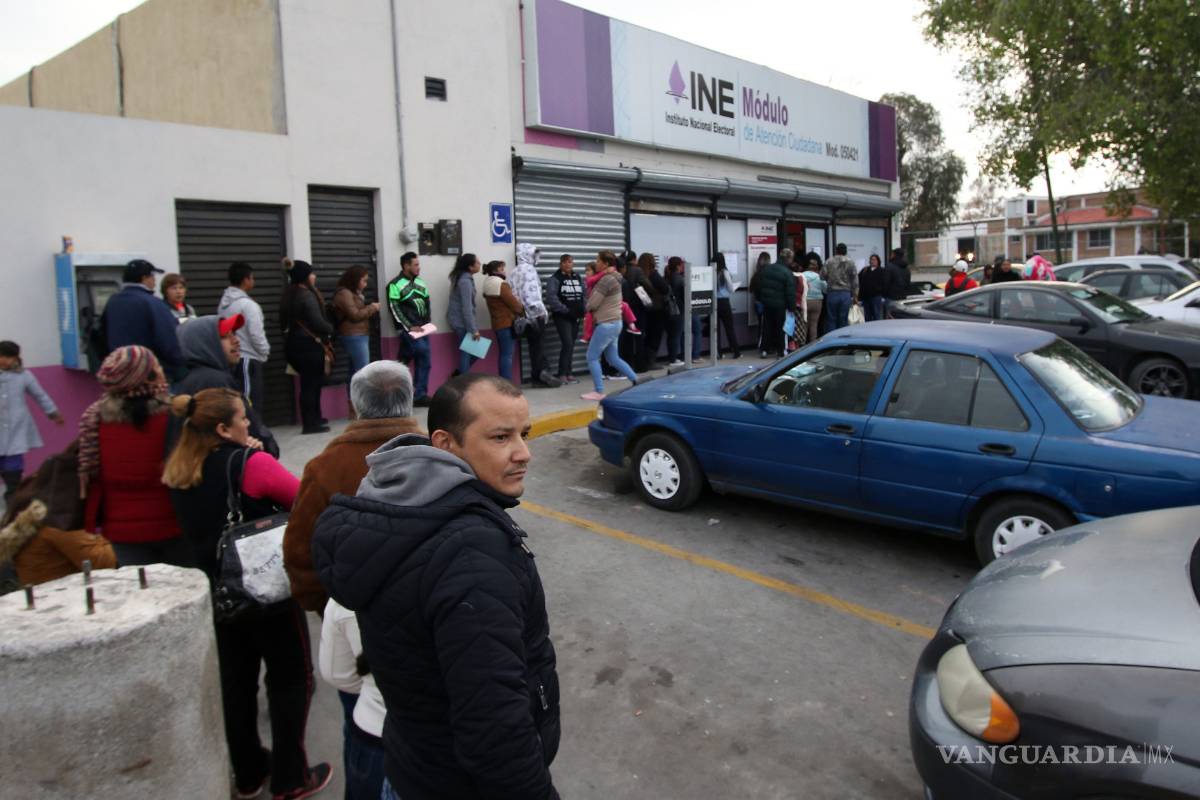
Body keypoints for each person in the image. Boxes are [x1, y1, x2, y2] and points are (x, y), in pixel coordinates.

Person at [312, 375, 561, 800]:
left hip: (410, 766)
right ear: (446, 444)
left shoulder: (404, 506)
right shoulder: (472, 555)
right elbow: (495, 733)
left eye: (525, 433)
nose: (524, 453)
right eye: (501, 437)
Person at [163, 388, 331, 800]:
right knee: (291, 679)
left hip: (218, 594)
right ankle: (291, 778)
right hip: (267, 593)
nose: (248, 425)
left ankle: (248, 772)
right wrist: (257, 455)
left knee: (236, 683)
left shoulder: (180, 469)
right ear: (223, 428)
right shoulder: (250, 464)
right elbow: (303, 501)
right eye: (243, 418)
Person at [283, 361, 423, 613]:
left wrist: (324, 605)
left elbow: (299, 550)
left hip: (352, 606)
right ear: (410, 398)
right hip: (432, 602)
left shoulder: (325, 467)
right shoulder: (441, 454)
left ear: (356, 405)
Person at [77, 346, 191, 567]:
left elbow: (92, 475)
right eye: (157, 367)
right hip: (174, 524)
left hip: (121, 530)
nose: (162, 371)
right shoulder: (175, 413)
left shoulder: (94, 419)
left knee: (139, 586)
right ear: (148, 377)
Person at [173, 314, 277, 456]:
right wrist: (268, 447)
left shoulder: (194, 377)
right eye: (225, 336)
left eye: (233, 334)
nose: (236, 341)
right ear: (204, 344)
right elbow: (251, 430)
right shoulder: (214, 381)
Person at [319, 596, 387, 800]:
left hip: (374, 731)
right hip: (435, 746)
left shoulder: (345, 598)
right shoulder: (454, 592)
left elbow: (336, 674)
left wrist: (371, 688)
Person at [0, 341, 63, 504]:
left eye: (9, 357)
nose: (4, 360)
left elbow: (39, 395)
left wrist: (53, 413)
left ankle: (12, 495)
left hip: (16, 425)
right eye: (1, 356)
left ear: (16, 358)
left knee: (13, 463)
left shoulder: (24, 376)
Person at [0, 499, 116, 587]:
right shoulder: (56, 524)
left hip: (45, 595)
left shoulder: (35, 520)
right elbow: (102, 562)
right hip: (62, 597)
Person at [103, 259, 185, 380]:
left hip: (121, 371)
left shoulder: (113, 302)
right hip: (150, 373)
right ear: (144, 278)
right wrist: (181, 363)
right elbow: (168, 341)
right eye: (153, 277)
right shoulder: (153, 303)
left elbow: (102, 334)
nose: (154, 281)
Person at [280, 258, 333, 434]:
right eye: (311, 273)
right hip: (309, 346)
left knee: (308, 384)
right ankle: (311, 423)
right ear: (304, 276)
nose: (314, 276)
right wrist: (330, 328)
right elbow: (317, 322)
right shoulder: (306, 295)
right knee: (311, 386)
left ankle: (315, 418)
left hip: (294, 345)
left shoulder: (288, 294)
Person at [581, 253, 640, 401]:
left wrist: (587, 305)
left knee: (592, 357)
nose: (596, 263)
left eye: (598, 261)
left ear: (606, 264)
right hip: (615, 322)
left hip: (606, 324)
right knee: (613, 358)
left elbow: (592, 303)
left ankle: (598, 391)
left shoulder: (606, 280)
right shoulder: (616, 277)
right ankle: (637, 381)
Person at [218, 261, 271, 414]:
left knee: (239, 401)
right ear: (246, 280)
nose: (253, 281)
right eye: (252, 278)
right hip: (248, 358)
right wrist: (264, 352)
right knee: (250, 402)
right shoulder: (248, 305)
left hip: (232, 360)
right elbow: (256, 333)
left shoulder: (223, 304)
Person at [510, 244, 563, 387]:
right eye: (533, 254)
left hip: (522, 315)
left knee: (533, 346)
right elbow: (531, 294)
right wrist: (540, 312)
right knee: (538, 346)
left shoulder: (514, 271)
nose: (535, 257)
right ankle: (542, 374)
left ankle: (536, 377)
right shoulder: (529, 270)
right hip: (534, 315)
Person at [386, 252, 433, 407]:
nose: (419, 267)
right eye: (416, 265)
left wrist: (427, 323)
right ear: (406, 266)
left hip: (423, 329)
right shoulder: (395, 284)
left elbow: (427, 304)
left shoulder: (421, 282)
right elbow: (394, 308)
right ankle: (418, 394)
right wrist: (408, 326)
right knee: (423, 355)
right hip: (409, 330)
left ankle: (405, 394)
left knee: (405, 361)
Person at [333, 265, 381, 391]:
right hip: (353, 336)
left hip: (359, 334)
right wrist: (372, 307)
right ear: (355, 279)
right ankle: (361, 400)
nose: (365, 284)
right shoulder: (344, 293)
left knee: (354, 371)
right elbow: (355, 315)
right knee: (363, 371)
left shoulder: (352, 293)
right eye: (363, 281)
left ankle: (353, 401)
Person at [544, 254, 585, 384]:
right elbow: (551, 298)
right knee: (567, 343)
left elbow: (584, 294)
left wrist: (583, 309)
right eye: (565, 262)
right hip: (562, 317)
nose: (568, 264)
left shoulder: (577, 277)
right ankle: (562, 374)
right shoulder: (555, 279)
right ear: (561, 264)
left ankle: (569, 373)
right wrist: (566, 310)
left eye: (570, 262)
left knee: (571, 344)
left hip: (576, 317)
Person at [482, 260, 525, 383]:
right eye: (502, 269)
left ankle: (504, 382)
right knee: (507, 355)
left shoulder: (487, 282)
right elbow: (514, 304)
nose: (504, 271)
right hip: (506, 322)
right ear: (496, 270)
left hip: (497, 322)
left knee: (504, 354)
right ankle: (507, 383)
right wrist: (523, 311)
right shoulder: (501, 284)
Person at [753, 249, 797, 358]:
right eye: (791, 259)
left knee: (766, 327)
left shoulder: (767, 269)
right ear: (788, 259)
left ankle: (764, 350)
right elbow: (790, 293)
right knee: (781, 328)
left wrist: (762, 299)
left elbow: (759, 287)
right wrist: (792, 307)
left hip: (767, 304)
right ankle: (781, 351)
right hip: (781, 305)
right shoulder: (787, 273)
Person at [446, 253, 482, 378]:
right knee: (467, 352)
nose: (480, 264)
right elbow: (467, 308)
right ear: (470, 267)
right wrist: (473, 329)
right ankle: (462, 381)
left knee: (475, 351)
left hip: (460, 321)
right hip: (462, 323)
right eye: (477, 262)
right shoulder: (465, 282)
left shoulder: (462, 279)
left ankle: (459, 375)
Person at [821, 244, 859, 332]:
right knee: (843, 319)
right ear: (846, 251)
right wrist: (855, 295)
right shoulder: (851, 262)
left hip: (832, 293)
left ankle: (831, 338)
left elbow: (822, 276)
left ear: (836, 251)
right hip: (845, 294)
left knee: (831, 318)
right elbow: (855, 280)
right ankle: (841, 337)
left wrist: (830, 279)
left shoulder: (829, 261)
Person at [641, 253, 670, 365]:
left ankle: (645, 360)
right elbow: (665, 288)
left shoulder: (641, 274)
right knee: (655, 335)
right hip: (658, 309)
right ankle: (651, 361)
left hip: (645, 308)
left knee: (648, 335)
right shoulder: (654, 274)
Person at [714, 253, 740, 358]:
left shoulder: (711, 271)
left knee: (715, 329)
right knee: (729, 328)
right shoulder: (724, 272)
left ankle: (718, 352)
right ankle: (736, 351)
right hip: (724, 302)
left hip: (714, 302)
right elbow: (730, 288)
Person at [665, 256, 687, 366]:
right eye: (681, 264)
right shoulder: (680, 279)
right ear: (678, 266)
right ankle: (673, 359)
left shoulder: (667, 277)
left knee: (671, 335)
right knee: (676, 335)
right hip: (678, 310)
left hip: (668, 310)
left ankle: (672, 357)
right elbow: (685, 296)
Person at [786, 254, 809, 352]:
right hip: (799, 305)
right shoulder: (802, 277)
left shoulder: (788, 276)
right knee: (799, 326)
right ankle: (797, 344)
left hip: (789, 306)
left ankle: (790, 344)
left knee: (789, 326)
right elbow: (805, 293)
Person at [802, 254, 827, 342]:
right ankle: (813, 343)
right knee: (814, 324)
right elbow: (825, 289)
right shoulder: (819, 276)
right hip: (817, 302)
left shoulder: (802, 276)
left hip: (805, 301)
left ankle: (803, 343)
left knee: (804, 324)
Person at [883, 248, 912, 317]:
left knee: (890, 317)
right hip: (903, 297)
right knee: (901, 317)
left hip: (891, 297)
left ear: (894, 255)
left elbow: (885, 282)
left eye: (892, 254)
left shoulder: (889, 266)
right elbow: (908, 283)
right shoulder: (906, 268)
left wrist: (884, 295)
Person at [858, 254, 887, 322]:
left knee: (876, 316)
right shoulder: (865, 270)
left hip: (876, 297)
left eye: (874, 260)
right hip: (866, 297)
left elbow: (884, 283)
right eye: (871, 259)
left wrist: (883, 295)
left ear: (878, 261)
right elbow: (859, 280)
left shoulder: (882, 270)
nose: (872, 261)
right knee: (867, 316)